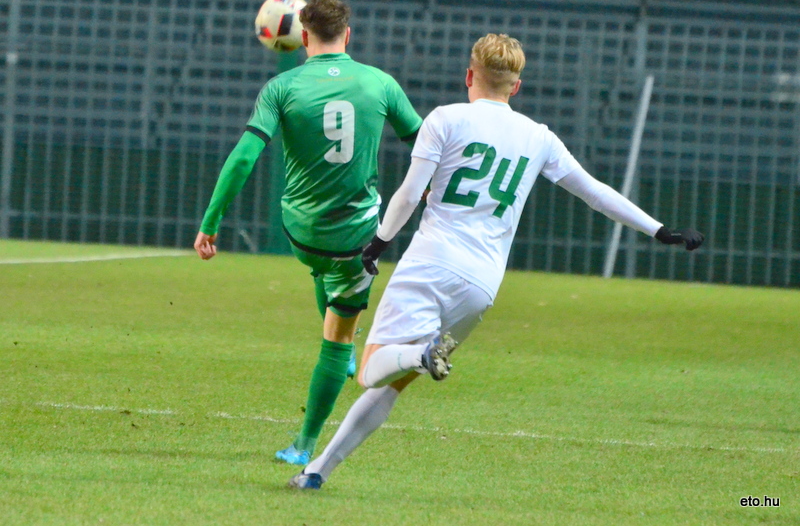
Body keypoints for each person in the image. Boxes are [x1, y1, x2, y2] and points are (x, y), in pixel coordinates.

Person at [288, 33, 704, 489]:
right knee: (395, 382)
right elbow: (594, 192)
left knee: (372, 369)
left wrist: (378, 244)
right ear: (516, 86)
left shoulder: (445, 119)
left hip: (431, 262)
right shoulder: (538, 136)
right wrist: (659, 229)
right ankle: (316, 473)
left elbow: (410, 193)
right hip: (481, 285)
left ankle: (418, 354)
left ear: (470, 75)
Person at [194, 0, 423, 467]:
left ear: (302, 36)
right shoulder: (380, 84)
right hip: (355, 239)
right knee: (339, 339)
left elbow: (243, 157)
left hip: (301, 234)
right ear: (348, 34)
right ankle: (304, 445)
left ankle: (338, 351)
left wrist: (210, 223)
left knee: (331, 291)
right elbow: (425, 148)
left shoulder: (281, 87)